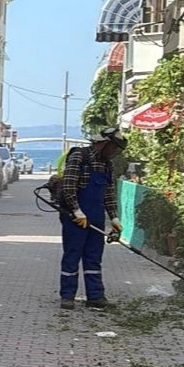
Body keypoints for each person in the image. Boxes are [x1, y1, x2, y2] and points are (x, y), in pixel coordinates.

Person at [57, 127, 127, 311]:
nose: (115, 152)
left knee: (94, 257)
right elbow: (69, 186)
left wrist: (114, 217)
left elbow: (108, 193)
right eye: (114, 148)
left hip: (96, 217)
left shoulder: (107, 164)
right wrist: (77, 211)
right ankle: (67, 296)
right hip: (75, 219)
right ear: (103, 143)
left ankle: (95, 296)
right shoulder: (80, 157)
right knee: (72, 255)